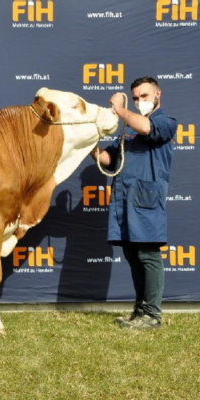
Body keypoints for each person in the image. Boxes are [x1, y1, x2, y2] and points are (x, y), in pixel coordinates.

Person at [90, 76, 178, 330]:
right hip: (124, 199)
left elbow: (147, 128)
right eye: (136, 98)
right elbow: (108, 159)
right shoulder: (128, 130)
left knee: (148, 255)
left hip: (146, 199)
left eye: (145, 96)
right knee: (133, 255)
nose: (140, 101)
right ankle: (140, 311)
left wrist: (119, 109)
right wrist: (86, 142)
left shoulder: (165, 121)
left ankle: (152, 314)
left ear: (158, 94)